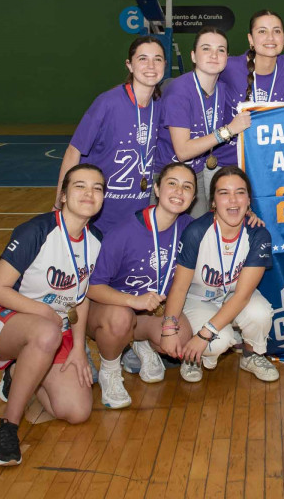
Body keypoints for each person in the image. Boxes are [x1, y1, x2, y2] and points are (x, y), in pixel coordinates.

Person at [0, 164, 105, 466]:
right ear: (62, 196)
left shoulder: (95, 239)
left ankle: (18, 373)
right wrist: (45, 312)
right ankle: (7, 426)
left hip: (51, 331)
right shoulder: (36, 231)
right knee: (45, 332)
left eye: (97, 188)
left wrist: (77, 349)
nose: (89, 193)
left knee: (76, 411)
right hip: (1, 320)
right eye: (80, 186)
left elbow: (81, 298)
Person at [86, 163, 197, 408]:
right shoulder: (124, 232)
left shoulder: (189, 228)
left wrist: (250, 216)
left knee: (181, 338)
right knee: (120, 317)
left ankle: (140, 343)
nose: (179, 191)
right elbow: (92, 288)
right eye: (172, 183)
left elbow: (225, 221)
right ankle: (111, 370)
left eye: (186, 187)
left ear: (193, 197)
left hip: (149, 312)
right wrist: (132, 301)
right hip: (109, 311)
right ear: (157, 188)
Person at [160, 166, 278, 383]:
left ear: (248, 200)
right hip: (197, 299)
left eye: (240, 192)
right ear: (213, 201)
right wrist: (169, 327)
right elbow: (179, 287)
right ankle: (192, 356)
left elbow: (242, 296)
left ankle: (251, 356)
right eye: (224, 193)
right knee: (219, 341)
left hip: (234, 297)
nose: (233, 200)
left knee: (260, 313)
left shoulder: (258, 234)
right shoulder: (196, 231)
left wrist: (205, 333)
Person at [56, 37, 165, 233]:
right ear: (129, 65)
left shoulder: (158, 105)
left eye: (157, 59)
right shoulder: (107, 103)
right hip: (100, 216)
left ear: (165, 64)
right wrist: (59, 204)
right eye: (142, 59)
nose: (151, 65)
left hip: (137, 215)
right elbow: (74, 152)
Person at [155, 27, 251, 219]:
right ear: (193, 56)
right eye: (206, 48)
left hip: (196, 173)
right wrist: (229, 130)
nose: (214, 55)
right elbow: (183, 151)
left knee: (196, 233)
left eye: (221, 50)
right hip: (167, 175)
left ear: (227, 58)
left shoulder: (221, 90)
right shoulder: (179, 91)